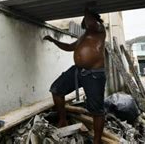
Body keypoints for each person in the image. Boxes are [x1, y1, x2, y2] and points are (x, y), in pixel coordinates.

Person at [43, 8, 106, 144]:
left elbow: (91, 22)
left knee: (97, 110)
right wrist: (54, 40)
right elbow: (68, 46)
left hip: (94, 75)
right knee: (56, 89)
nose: (85, 22)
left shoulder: (100, 30)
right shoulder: (83, 36)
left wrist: (84, 5)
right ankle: (63, 119)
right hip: (78, 71)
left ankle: (97, 141)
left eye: (87, 19)